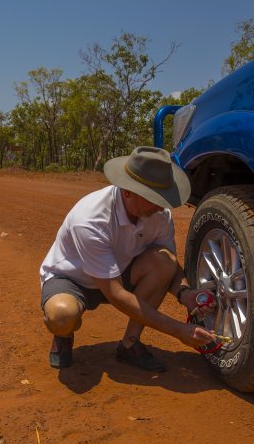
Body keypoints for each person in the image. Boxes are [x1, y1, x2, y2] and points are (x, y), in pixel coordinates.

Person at [39, 146, 217, 371]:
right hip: (73, 279)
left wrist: (185, 293)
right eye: (154, 198)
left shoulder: (158, 214)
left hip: (119, 272)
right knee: (62, 315)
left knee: (164, 261)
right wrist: (179, 331)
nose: (162, 205)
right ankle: (63, 335)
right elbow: (116, 294)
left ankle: (129, 344)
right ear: (128, 192)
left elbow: (169, 264)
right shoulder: (90, 219)